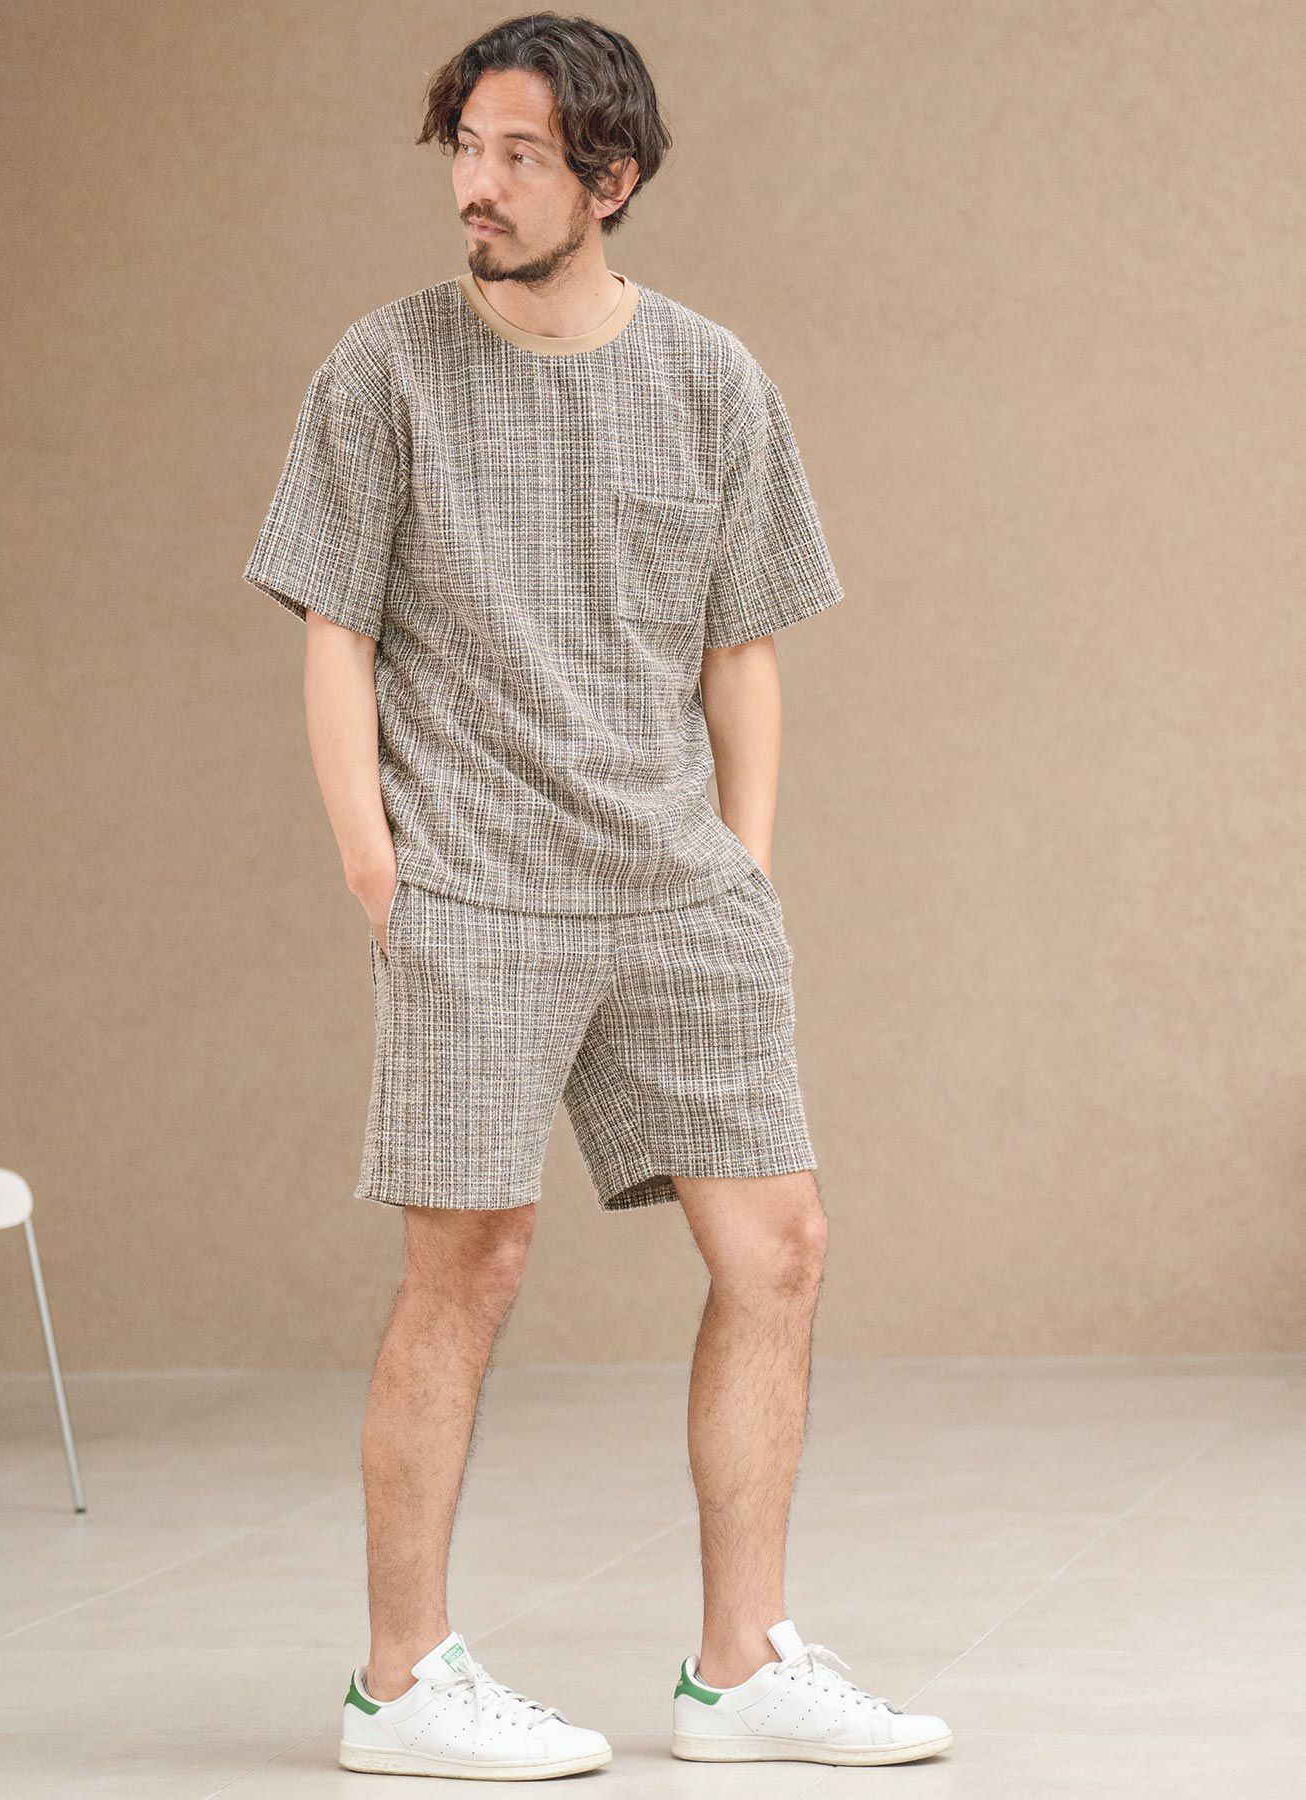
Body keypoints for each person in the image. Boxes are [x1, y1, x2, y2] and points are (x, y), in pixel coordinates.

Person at [243, 11, 952, 1781]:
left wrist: (743, 866)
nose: (473, 189)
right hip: (473, 890)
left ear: (609, 179)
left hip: (676, 889)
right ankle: (400, 1686)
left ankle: (741, 1668)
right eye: (463, 151)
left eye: (516, 157)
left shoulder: (712, 377)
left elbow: (743, 643)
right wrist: (376, 860)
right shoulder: (384, 370)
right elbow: (334, 626)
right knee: (468, 1266)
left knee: (779, 1250)